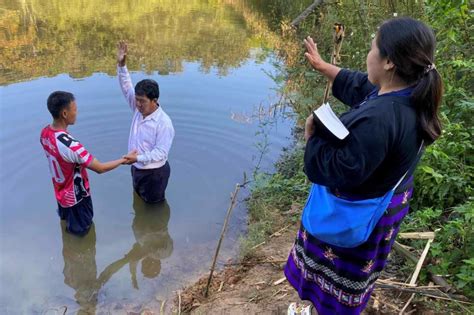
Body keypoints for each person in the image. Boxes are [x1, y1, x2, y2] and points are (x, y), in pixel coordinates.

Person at [284, 17, 443, 314]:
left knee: (335, 283)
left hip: (355, 216)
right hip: (386, 204)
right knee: (349, 282)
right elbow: (359, 84)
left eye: (372, 48)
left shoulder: (380, 120)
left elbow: (335, 171)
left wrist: (313, 135)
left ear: (389, 62)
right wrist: (322, 66)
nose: (368, 55)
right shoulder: (407, 94)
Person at [40, 91, 131, 236]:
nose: (76, 113)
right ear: (64, 113)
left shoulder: (44, 133)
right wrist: (124, 160)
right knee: (83, 235)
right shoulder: (71, 146)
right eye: (74, 109)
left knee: (68, 228)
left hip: (61, 194)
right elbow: (100, 168)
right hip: (77, 199)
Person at [117, 41, 175, 203]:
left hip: (154, 173)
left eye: (142, 101)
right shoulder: (137, 109)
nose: (138, 104)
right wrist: (122, 65)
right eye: (136, 100)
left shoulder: (164, 123)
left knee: (154, 208)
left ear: (154, 100)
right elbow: (126, 85)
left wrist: (138, 158)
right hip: (136, 168)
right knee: (138, 202)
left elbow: (161, 153)